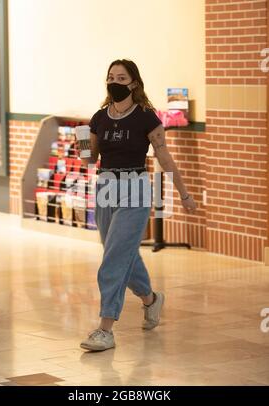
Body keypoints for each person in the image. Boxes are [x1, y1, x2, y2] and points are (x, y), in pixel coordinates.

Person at [76, 59, 196, 351]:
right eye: (110, 77)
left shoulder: (146, 117)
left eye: (121, 77)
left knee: (114, 259)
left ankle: (105, 330)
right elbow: (89, 160)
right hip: (105, 186)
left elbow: (165, 158)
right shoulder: (98, 118)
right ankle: (151, 300)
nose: (114, 82)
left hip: (136, 188)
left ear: (133, 83)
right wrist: (81, 143)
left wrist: (184, 193)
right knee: (123, 253)